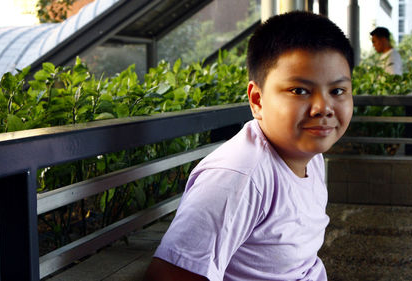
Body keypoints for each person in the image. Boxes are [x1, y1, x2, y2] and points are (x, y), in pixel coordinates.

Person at [143, 11, 354, 281]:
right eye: (299, 90)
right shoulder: (238, 177)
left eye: (337, 91)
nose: (323, 108)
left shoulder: (310, 155)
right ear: (257, 100)